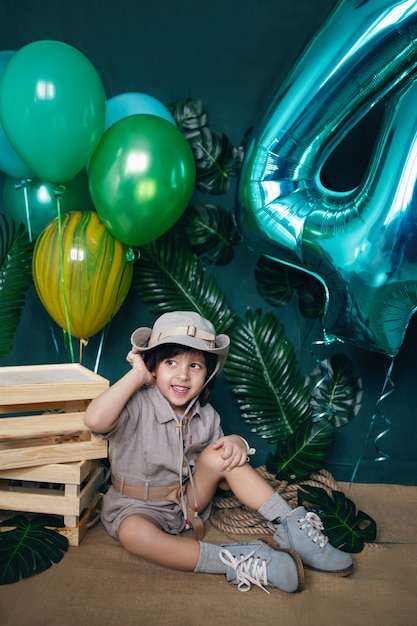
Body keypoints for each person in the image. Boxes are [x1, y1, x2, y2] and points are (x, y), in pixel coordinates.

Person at [85, 311, 352, 593]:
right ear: (154, 368)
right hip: (136, 507)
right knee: (133, 534)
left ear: (208, 373)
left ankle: (292, 528)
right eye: (171, 362)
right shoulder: (136, 404)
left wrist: (235, 442)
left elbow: (223, 475)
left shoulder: (206, 416)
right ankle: (240, 560)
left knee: (224, 451)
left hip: (187, 502)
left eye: (195, 366)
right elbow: (95, 420)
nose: (182, 375)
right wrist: (137, 374)